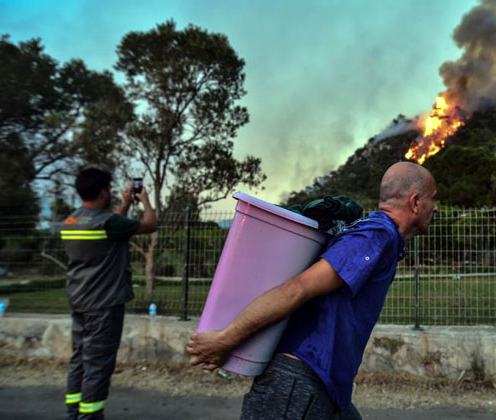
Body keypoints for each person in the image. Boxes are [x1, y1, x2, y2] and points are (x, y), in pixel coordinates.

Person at [187, 162, 438, 419]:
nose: (436, 207)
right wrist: (225, 340)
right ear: (416, 202)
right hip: (298, 382)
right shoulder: (375, 235)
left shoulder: (383, 238)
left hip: (326, 387)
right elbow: (297, 289)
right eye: (433, 199)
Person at [60, 167, 157, 420]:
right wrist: (144, 200)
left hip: (79, 301)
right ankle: (89, 416)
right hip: (104, 306)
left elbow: (108, 228)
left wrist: (125, 204)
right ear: (104, 191)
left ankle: (73, 413)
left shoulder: (70, 222)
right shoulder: (109, 223)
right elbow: (150, 224)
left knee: (79, 360)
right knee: (98, 365)